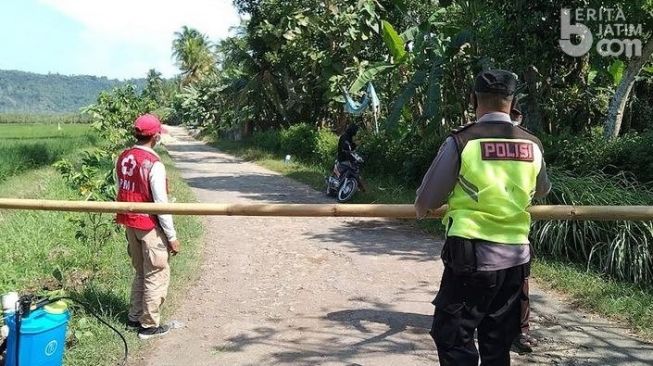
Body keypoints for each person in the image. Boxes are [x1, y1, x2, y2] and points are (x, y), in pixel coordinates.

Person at [415, 69, 551, 365]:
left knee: (453, 337)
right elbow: (541, 191)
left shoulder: (463, 141)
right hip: (516, 258)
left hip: (471, 257)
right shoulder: (532, 144)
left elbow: (425, 202)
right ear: (512, 101)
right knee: (497, 342)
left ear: (474, 99)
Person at [115, 114, 181, 340]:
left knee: (141, 271)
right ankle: (149, 326)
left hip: (129, 222)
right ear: (155, 136)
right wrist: (171, 236)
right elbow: (161, 205)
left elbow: (120, 190)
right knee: (156, 273)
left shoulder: (123, 157)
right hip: (149, 225)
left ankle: (134, 316)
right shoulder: (154, 164)